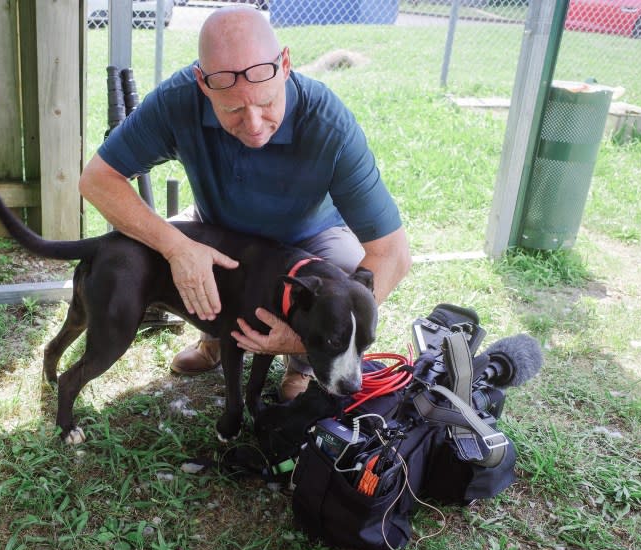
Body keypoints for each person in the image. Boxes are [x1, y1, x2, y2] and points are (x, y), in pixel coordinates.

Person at [78, 7, 411, 402]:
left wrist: (298, 337)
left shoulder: (329, 126)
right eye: (233, 110)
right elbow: (97, 179)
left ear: (284, 65)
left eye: (266, 103)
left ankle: (304, 365)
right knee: (161, 245)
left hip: (311, 239)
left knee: (343, 269)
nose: (253, 124)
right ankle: (215, 340)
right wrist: (177, 247)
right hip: (222, 232)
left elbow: (392, 252)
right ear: (203, 84)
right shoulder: (177, 100)